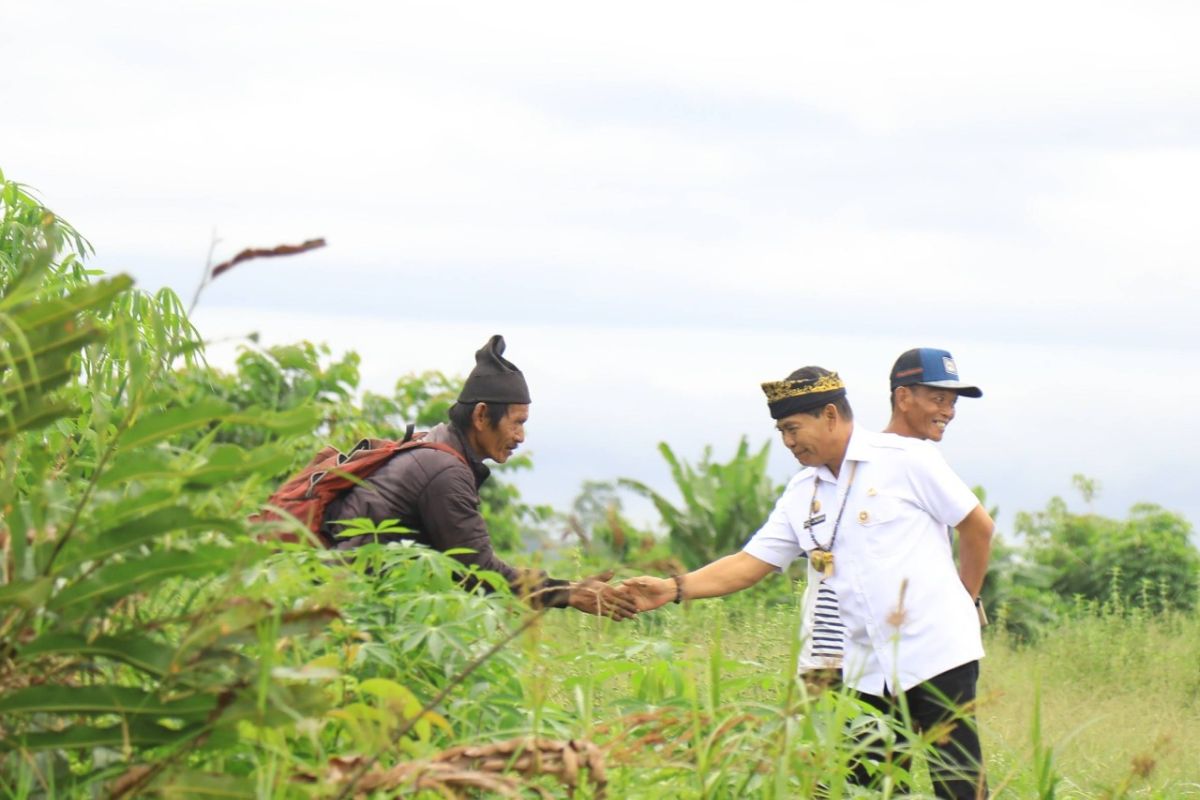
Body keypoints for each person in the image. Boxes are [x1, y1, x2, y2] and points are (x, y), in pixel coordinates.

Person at [623, 367, 993, 798]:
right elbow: (750, 562)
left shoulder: (906, 459)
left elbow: (977, 527)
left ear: (831, 415)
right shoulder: (803, 491)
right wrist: (672, 588)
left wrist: (962, 603)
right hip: (862, 672)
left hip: (935, 656)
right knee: (858, 789)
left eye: (793, 428)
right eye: (782, 431)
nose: (788, 442)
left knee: (959, 786)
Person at [326, 334, 637, 621]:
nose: (521, 436)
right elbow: (479, 572)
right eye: (517, 423)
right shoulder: (445, 472)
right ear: (480, 415)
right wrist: (568, 592)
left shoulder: (436, 445)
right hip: (336, 601)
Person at [798, 348, 984, 688]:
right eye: (939, 398)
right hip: (854, 657)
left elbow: (978, 528)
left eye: (953, 402)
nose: (949, 411)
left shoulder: (920, 458)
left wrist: (962, 602)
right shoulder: (866, 461)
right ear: (903, 397)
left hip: (927, 656)